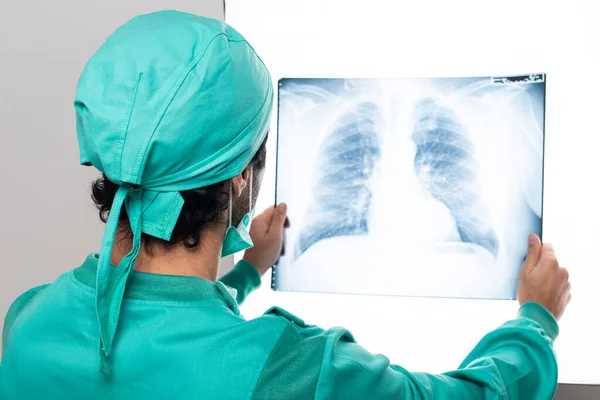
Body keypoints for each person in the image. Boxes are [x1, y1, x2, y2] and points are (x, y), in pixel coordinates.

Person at [0, 10, 570, 400]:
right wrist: (536, 322)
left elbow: (166, 336)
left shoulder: (28, 322)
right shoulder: (293, 369)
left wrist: (249, 272)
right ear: (242, 180)